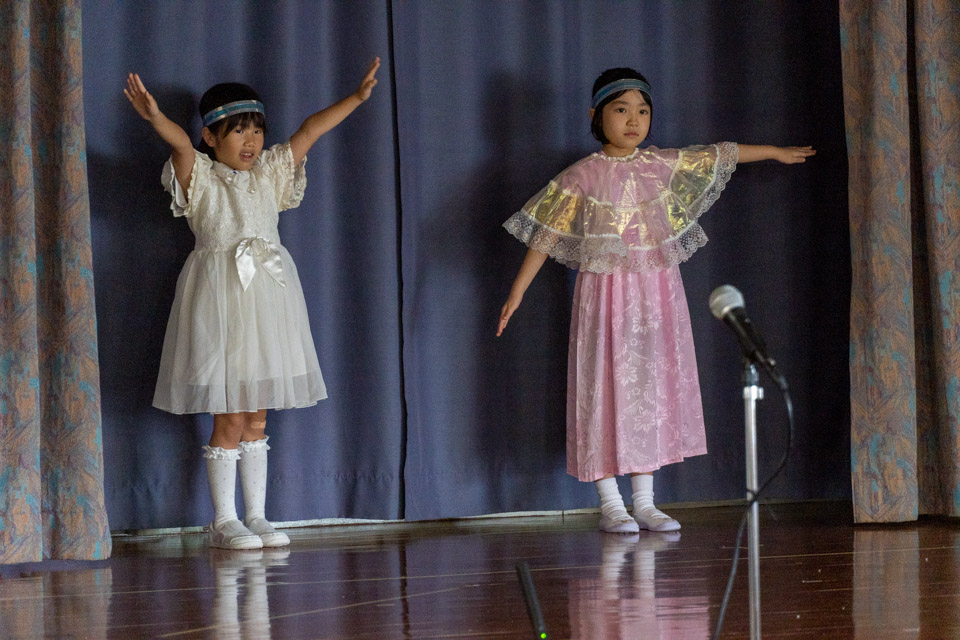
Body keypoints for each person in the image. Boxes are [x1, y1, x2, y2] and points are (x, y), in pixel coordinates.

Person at [497, 67, 814, 534]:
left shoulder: (659, 164)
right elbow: (544, 235)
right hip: (605, 294)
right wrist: (517, 290)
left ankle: (645, 501)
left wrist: (772, 152)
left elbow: (717, 155)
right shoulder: (582, 176)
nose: (633, 120)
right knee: (603, 386)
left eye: (642, 111)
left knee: (647, 388)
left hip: (656, 293)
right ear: (595, 115)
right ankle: (610, 503)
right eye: (621, 109)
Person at [124, 58, 380, 549]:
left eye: (257, 132)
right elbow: (178, 143)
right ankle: (223, 519)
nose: (250, 142)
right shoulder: (201, 175)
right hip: (220, 298)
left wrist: (356, 98)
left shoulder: (270, 173)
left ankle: (258, 516)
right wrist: (155, 118)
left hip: (267, 297)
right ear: (211, 136)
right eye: (237, 131)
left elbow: (309, 131)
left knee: (258, 416)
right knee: (230, 414)